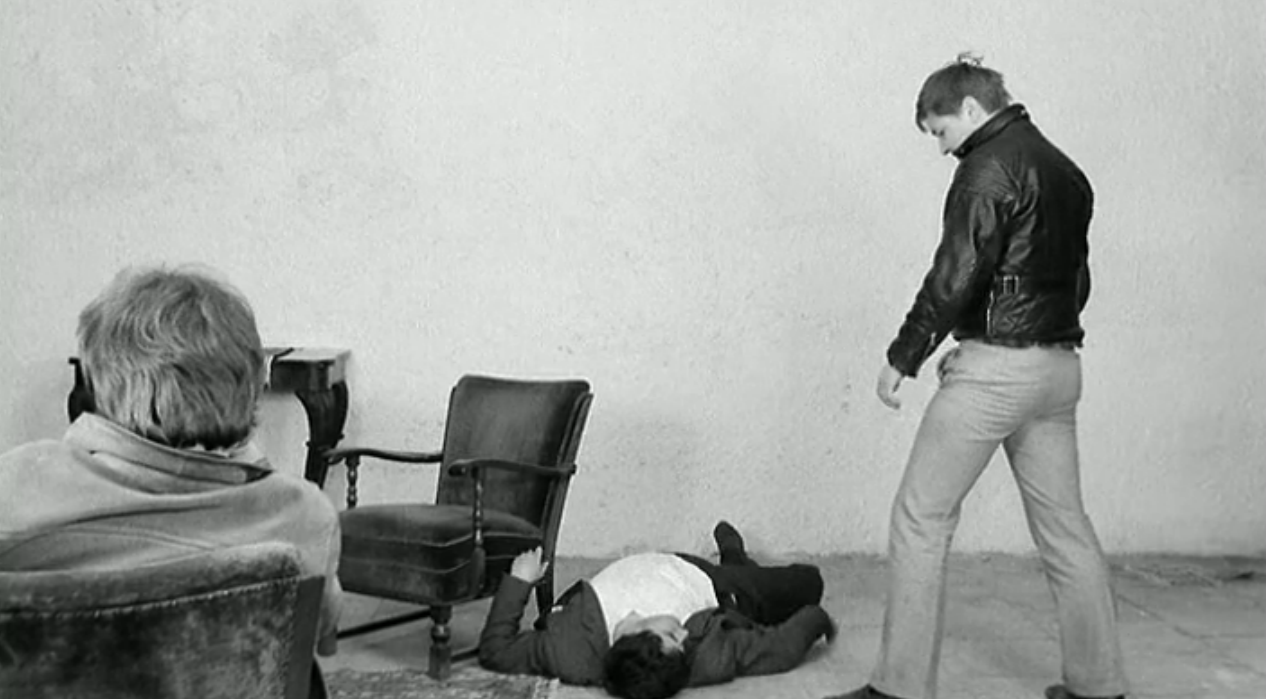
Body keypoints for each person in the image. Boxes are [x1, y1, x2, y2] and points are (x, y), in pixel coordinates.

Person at [824, 56, 1128, 699]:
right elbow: (1074, 281)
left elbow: (956, 273)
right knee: (1066, 530)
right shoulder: (1066, 171)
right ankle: (1099, 685)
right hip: (1058, 370)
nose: (942, 148)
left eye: (940, 131)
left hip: (996, 376)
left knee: (920, 519)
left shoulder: (986, 168)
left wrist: (904, 355)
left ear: (970, 107)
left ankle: (900, 688)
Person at [0, 266, 344, 664]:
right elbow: (319, 631)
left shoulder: (13, 488)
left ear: (102, 377)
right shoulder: (304, 516)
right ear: (249, 381)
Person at [479, 521, 836, 698]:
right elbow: (779, 649)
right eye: (680, 640)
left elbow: (496, 650)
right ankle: (735, 560)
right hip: (711, 584)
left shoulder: (568, 649)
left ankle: (737, 559)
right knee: (809, 584)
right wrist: (818, 620)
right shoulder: (696, 660)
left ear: (633, 633)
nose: (683, 633)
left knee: (773, 579)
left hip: (675, 562)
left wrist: (519, 582)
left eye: (670, 634)